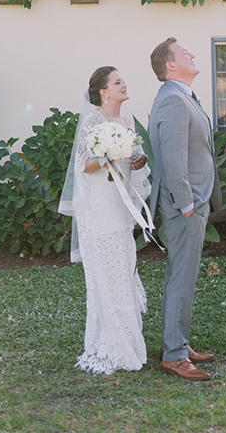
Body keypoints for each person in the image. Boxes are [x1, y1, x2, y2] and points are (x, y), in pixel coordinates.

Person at [59, 66, 150, 375]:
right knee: (108, 274)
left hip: (121, 207)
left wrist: (140, 159)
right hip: (100, 208)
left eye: (123, 79)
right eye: (117, 81)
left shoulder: (128, 120)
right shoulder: (93, 121)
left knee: (124, 269)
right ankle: (112, 343)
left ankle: (131, 342)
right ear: (103, 92)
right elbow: (84, 165)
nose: (124, 84)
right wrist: (106, 156)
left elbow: (135, 158)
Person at [148, 37, 222, 381]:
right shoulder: (173, 101)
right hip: (186, 204)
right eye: (184, 53)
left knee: (183, 274)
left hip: (193, 200)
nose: (191, 54)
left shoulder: (180, 96)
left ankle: (175, 343)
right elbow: (173, 157)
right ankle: (174, 356)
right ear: (170, 66)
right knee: (182, 275)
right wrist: (187, 204)